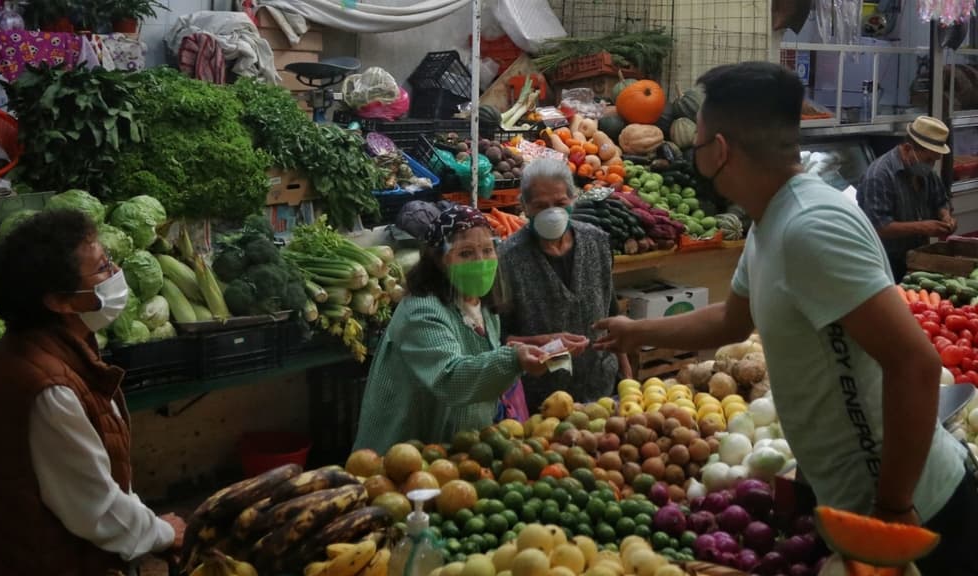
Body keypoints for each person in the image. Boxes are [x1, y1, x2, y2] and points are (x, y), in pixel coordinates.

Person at [593, 62, 976, 574]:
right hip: (858, 505)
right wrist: (636, 332)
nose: (692, 156)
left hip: (917, 512)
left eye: (697, 145)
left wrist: (891, 508)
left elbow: (916, 364)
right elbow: (731, 322)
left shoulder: (810, 228)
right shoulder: (768, 221)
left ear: (720, 150)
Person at [0, 210, 185, 576]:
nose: (116, 274)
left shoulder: (53, 346)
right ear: (59, 301)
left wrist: (146, 524)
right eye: (102, 269)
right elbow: (94, 507)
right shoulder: (47, 388)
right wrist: (162, 534)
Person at [354, 205, 580, 453]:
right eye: (466, 253)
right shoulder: (422, 311)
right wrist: (514, 359)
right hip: (406, 452)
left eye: (488, 250)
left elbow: (481, 357)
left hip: (460, 450)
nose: (480, 261)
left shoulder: (480, 304)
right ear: (439, 259)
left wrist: (543, 345)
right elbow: (450, 377)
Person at [498, 158, 632, 414]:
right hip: (543, 402)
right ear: (524, 206)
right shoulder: (507, 259)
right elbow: (499, 340)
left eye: (560, 203)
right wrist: (542, 342)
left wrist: (626, 375)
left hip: (601, 389)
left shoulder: (597, 241)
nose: (552, 213)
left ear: (573, 199)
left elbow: (611, 315)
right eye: (541, 206)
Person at [857, 116, 956, 282]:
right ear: (908, 148)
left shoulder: (926, 173)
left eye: (934, 160)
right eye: (928, 160)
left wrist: (945, 216)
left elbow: (940, 200)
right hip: (885, 264)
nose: (931, 166)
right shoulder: (879, 176)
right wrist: (922, 227)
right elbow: (879, 226)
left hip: (917, 260)